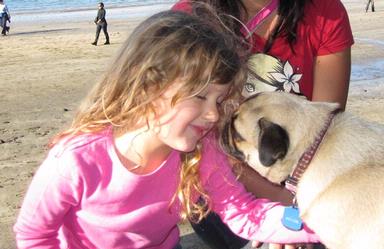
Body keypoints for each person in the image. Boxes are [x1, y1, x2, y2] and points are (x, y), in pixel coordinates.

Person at [13, 10, 320, 249]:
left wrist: (320, 220)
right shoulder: (77, 160)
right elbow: (34, 233)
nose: (213, 114)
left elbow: (245, 214)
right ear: (147, 87)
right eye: (200, 96)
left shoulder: (204, 152)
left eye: (220, 99)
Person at [172, 0, 354, 248]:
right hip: (221, 184)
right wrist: (280, 209)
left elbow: (323, 132)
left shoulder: (325, 11)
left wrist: (294, 209)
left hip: (301, 180)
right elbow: (202, 141)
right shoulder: (193, 16)